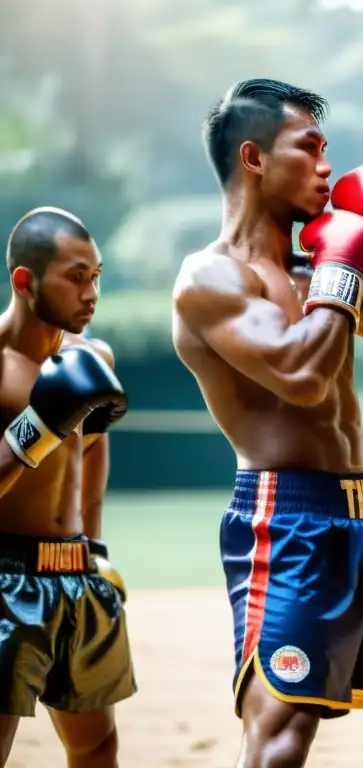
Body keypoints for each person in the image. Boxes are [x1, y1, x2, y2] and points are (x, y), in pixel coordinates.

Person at [172, 79, 363, 768]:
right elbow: (301, 374)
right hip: (287, 525)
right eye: (307, 148)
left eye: (327, 149)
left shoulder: (318, 270)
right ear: (253, 158)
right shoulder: (211, 279)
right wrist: (344, 269)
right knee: (281, 739)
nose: (326, 166)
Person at [0, 207, 132, 767]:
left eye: (96, 275)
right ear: (25, 282)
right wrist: (40, 424)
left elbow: (93, 451)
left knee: (97, 746)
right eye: (76, 277)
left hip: (76, 579)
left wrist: (94, 548)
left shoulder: (90, 358)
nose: (92, 292)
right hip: (5, 580)